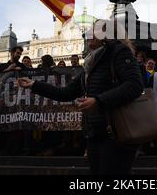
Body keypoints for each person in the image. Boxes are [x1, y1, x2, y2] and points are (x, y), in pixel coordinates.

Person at [18, 20, 143, 175]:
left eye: (93, 30)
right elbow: (66, 93)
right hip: (93, 135)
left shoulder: (119, 52)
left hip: (116, 134)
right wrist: (34, 85)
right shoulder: (91, 64)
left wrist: (98, 101)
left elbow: (135, 85)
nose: (87, 34)